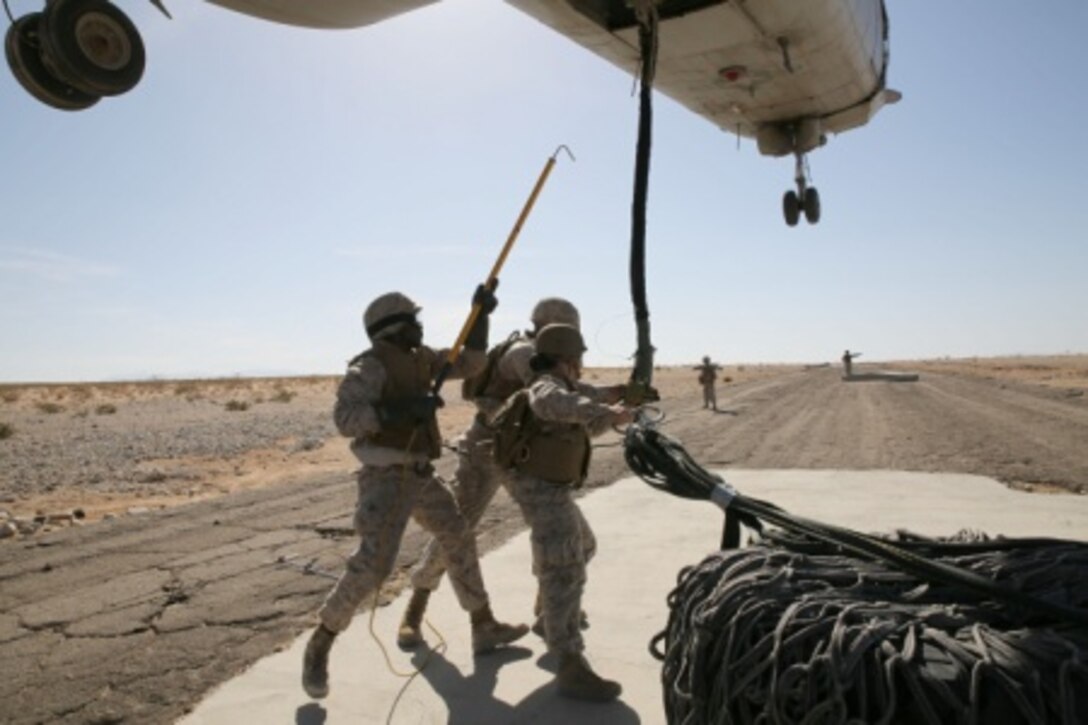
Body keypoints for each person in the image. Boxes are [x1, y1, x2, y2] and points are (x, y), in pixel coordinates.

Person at [301, 288, 528, 700]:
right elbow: (346, 419)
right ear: (390, 329)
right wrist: (400, 411)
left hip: (420, 473)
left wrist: (481, 316)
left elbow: (472, 362)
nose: (419, 326)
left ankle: (483, 623)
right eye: (412, 319)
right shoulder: (369, 367)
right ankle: (322, 641)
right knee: (374, 566)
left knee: (457, 533)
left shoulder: (424, 359)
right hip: (386, 478)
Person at [396, 298, 625, 648]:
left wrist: (618, 393)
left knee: (569, 536)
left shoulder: (541, 357)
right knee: (455, 533)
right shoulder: (523, 353)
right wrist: (609, 402)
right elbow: (551, 392)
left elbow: (565, 389)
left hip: (525, 455)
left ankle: (549, 611)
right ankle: (415, 610)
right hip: (485, 452)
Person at [498, 323, 635, 702]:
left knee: (584, 546)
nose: (581, 365)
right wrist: (608, 411)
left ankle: (548, 615)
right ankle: (570, 663)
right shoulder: (546, 385)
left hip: (551, 488)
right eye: (579, 358)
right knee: (564, 568)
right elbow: (547, 404)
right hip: (540, 490)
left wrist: (619, 407)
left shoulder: (568, 388)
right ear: (569, 358)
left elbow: (582, 421)